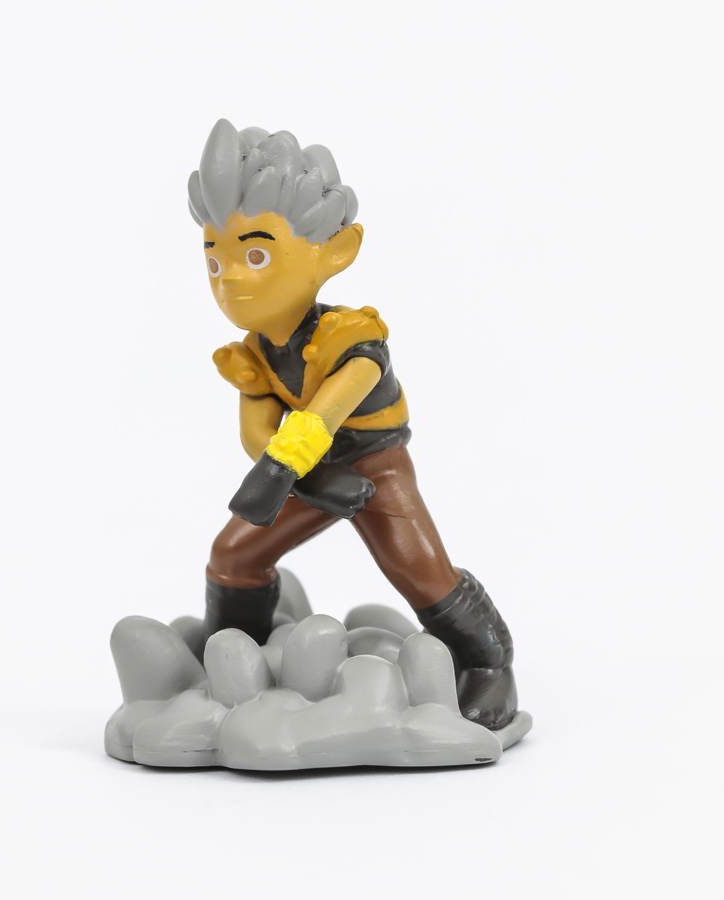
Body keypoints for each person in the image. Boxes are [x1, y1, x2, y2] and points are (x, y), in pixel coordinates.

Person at [189, 119, 518, 730]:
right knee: (232, 554)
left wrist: (293, 465)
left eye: (255, 255)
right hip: (305, 472)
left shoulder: (351, 337)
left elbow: (329, 410)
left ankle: (488, 660)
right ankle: (234, 660)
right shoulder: (255, 354)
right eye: (214, 258)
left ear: (333, 252)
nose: (228, 276)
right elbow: (257, 433)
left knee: (418, 568)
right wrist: (310, 481)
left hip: (374, 463)